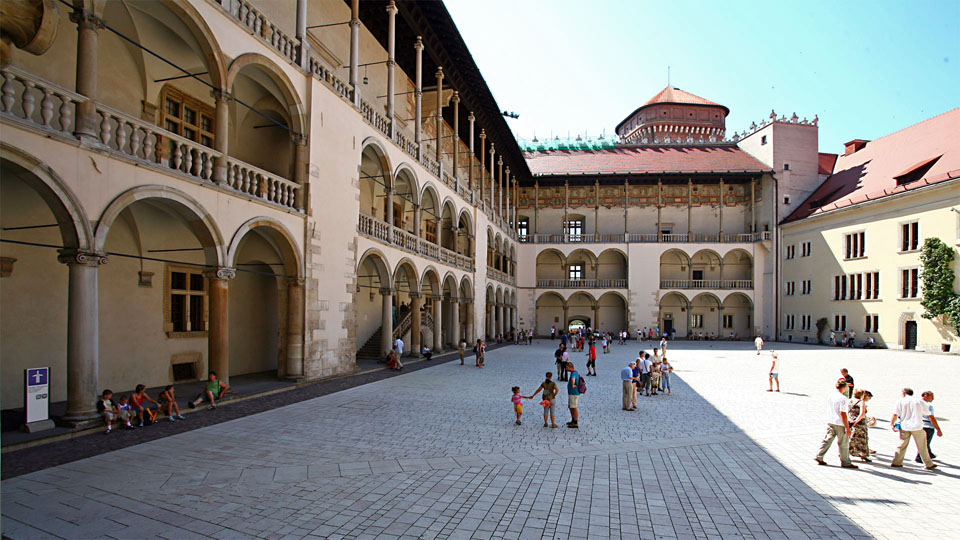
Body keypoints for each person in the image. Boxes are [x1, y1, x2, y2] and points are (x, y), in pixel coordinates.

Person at [814, 378, 858, 468]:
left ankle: (819, 455)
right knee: (843, 443)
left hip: (831, 420)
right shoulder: (844, 399)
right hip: (840, 423)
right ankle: (845, 461)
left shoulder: (831, 395)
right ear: (844, 388)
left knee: (827, 439)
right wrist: (847, 427)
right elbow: (843, 413)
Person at [890, 388, 936, 469]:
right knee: (922, 446)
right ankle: (928, 464)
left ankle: (897, 462)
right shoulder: (919, 401)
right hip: (917, 425)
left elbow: (895, 414)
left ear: (904, 393)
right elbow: (926, 413)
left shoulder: (900, 401)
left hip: (904, 426)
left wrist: (892, 423)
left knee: (902, 444)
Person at [917, 391, 942, 463]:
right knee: (925, 442)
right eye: (932, 397)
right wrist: (938, 429)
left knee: (923, 441)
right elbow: (931, 418)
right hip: (927, 426)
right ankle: (919, 457)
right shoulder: (928, 406)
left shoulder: (917, 403)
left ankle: (930, 454)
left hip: (919, 425)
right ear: (926, 396)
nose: (933, 399)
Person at [848, 389, 871, 462]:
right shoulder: (861, 402)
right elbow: (862, 414)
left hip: (850, 421)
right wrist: (856, 421)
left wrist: (851, 420)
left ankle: (848, 452)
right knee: (862, 439)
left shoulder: (850, 401)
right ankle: (863, 454)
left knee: (852, 438)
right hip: (860, 423)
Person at [565, 362, 581, 428]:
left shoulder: (573, 374)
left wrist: (573, 384)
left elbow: (573, 379)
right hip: (572, 393)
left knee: (574, 407)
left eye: (566, 367)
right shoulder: (575, 372)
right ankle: (573, 420)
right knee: (571, 406)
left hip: (574, 393)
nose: (566, 369)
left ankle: (575, 422)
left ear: (570, 367)